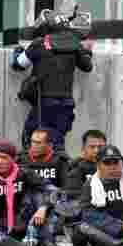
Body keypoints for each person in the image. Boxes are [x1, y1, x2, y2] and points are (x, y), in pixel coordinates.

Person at [11, 9, 94, 151]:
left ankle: (35, 171)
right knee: (57, 142)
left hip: (44, 102)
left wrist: (18, 52)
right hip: (66, 103)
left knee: (31, 140)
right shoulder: (75, 44)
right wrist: (87, 51)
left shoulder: (39, 43)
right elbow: (87, 66)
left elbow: (18, 65)